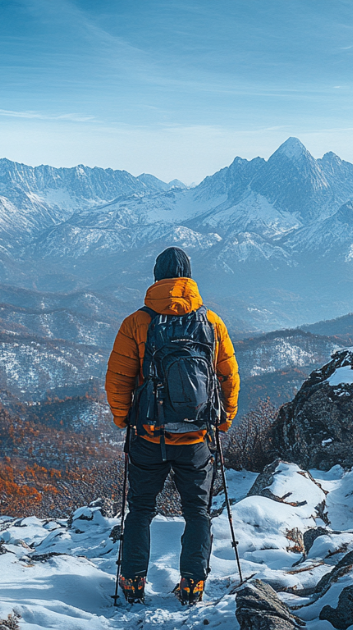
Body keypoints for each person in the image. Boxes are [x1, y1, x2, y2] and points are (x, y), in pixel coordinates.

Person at [104, 246, 239, 605]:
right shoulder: (211, 322)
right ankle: (193, 583)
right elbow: (228, 377)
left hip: (149, 435)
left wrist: (124, 419)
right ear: (189, 277)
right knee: (197, 512)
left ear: (156, 277)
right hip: (196, 438)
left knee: (140, 510)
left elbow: (118, 379)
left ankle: (133, 581)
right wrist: (223, 420)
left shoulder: (137, 323)